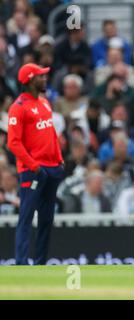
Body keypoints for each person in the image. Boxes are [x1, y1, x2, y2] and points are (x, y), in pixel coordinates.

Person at [7, 63, 65, 265]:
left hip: (52, 168)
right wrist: (34, 167)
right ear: (30, 80)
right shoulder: (18, 107)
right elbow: (13, 143)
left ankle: (40, 263)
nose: (45, 78)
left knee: (47, 219)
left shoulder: (44, 102)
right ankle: (21, 263)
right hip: (33, 171)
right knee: (26, 217)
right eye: (40, 76)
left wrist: (59, 160)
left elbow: (51, 134)